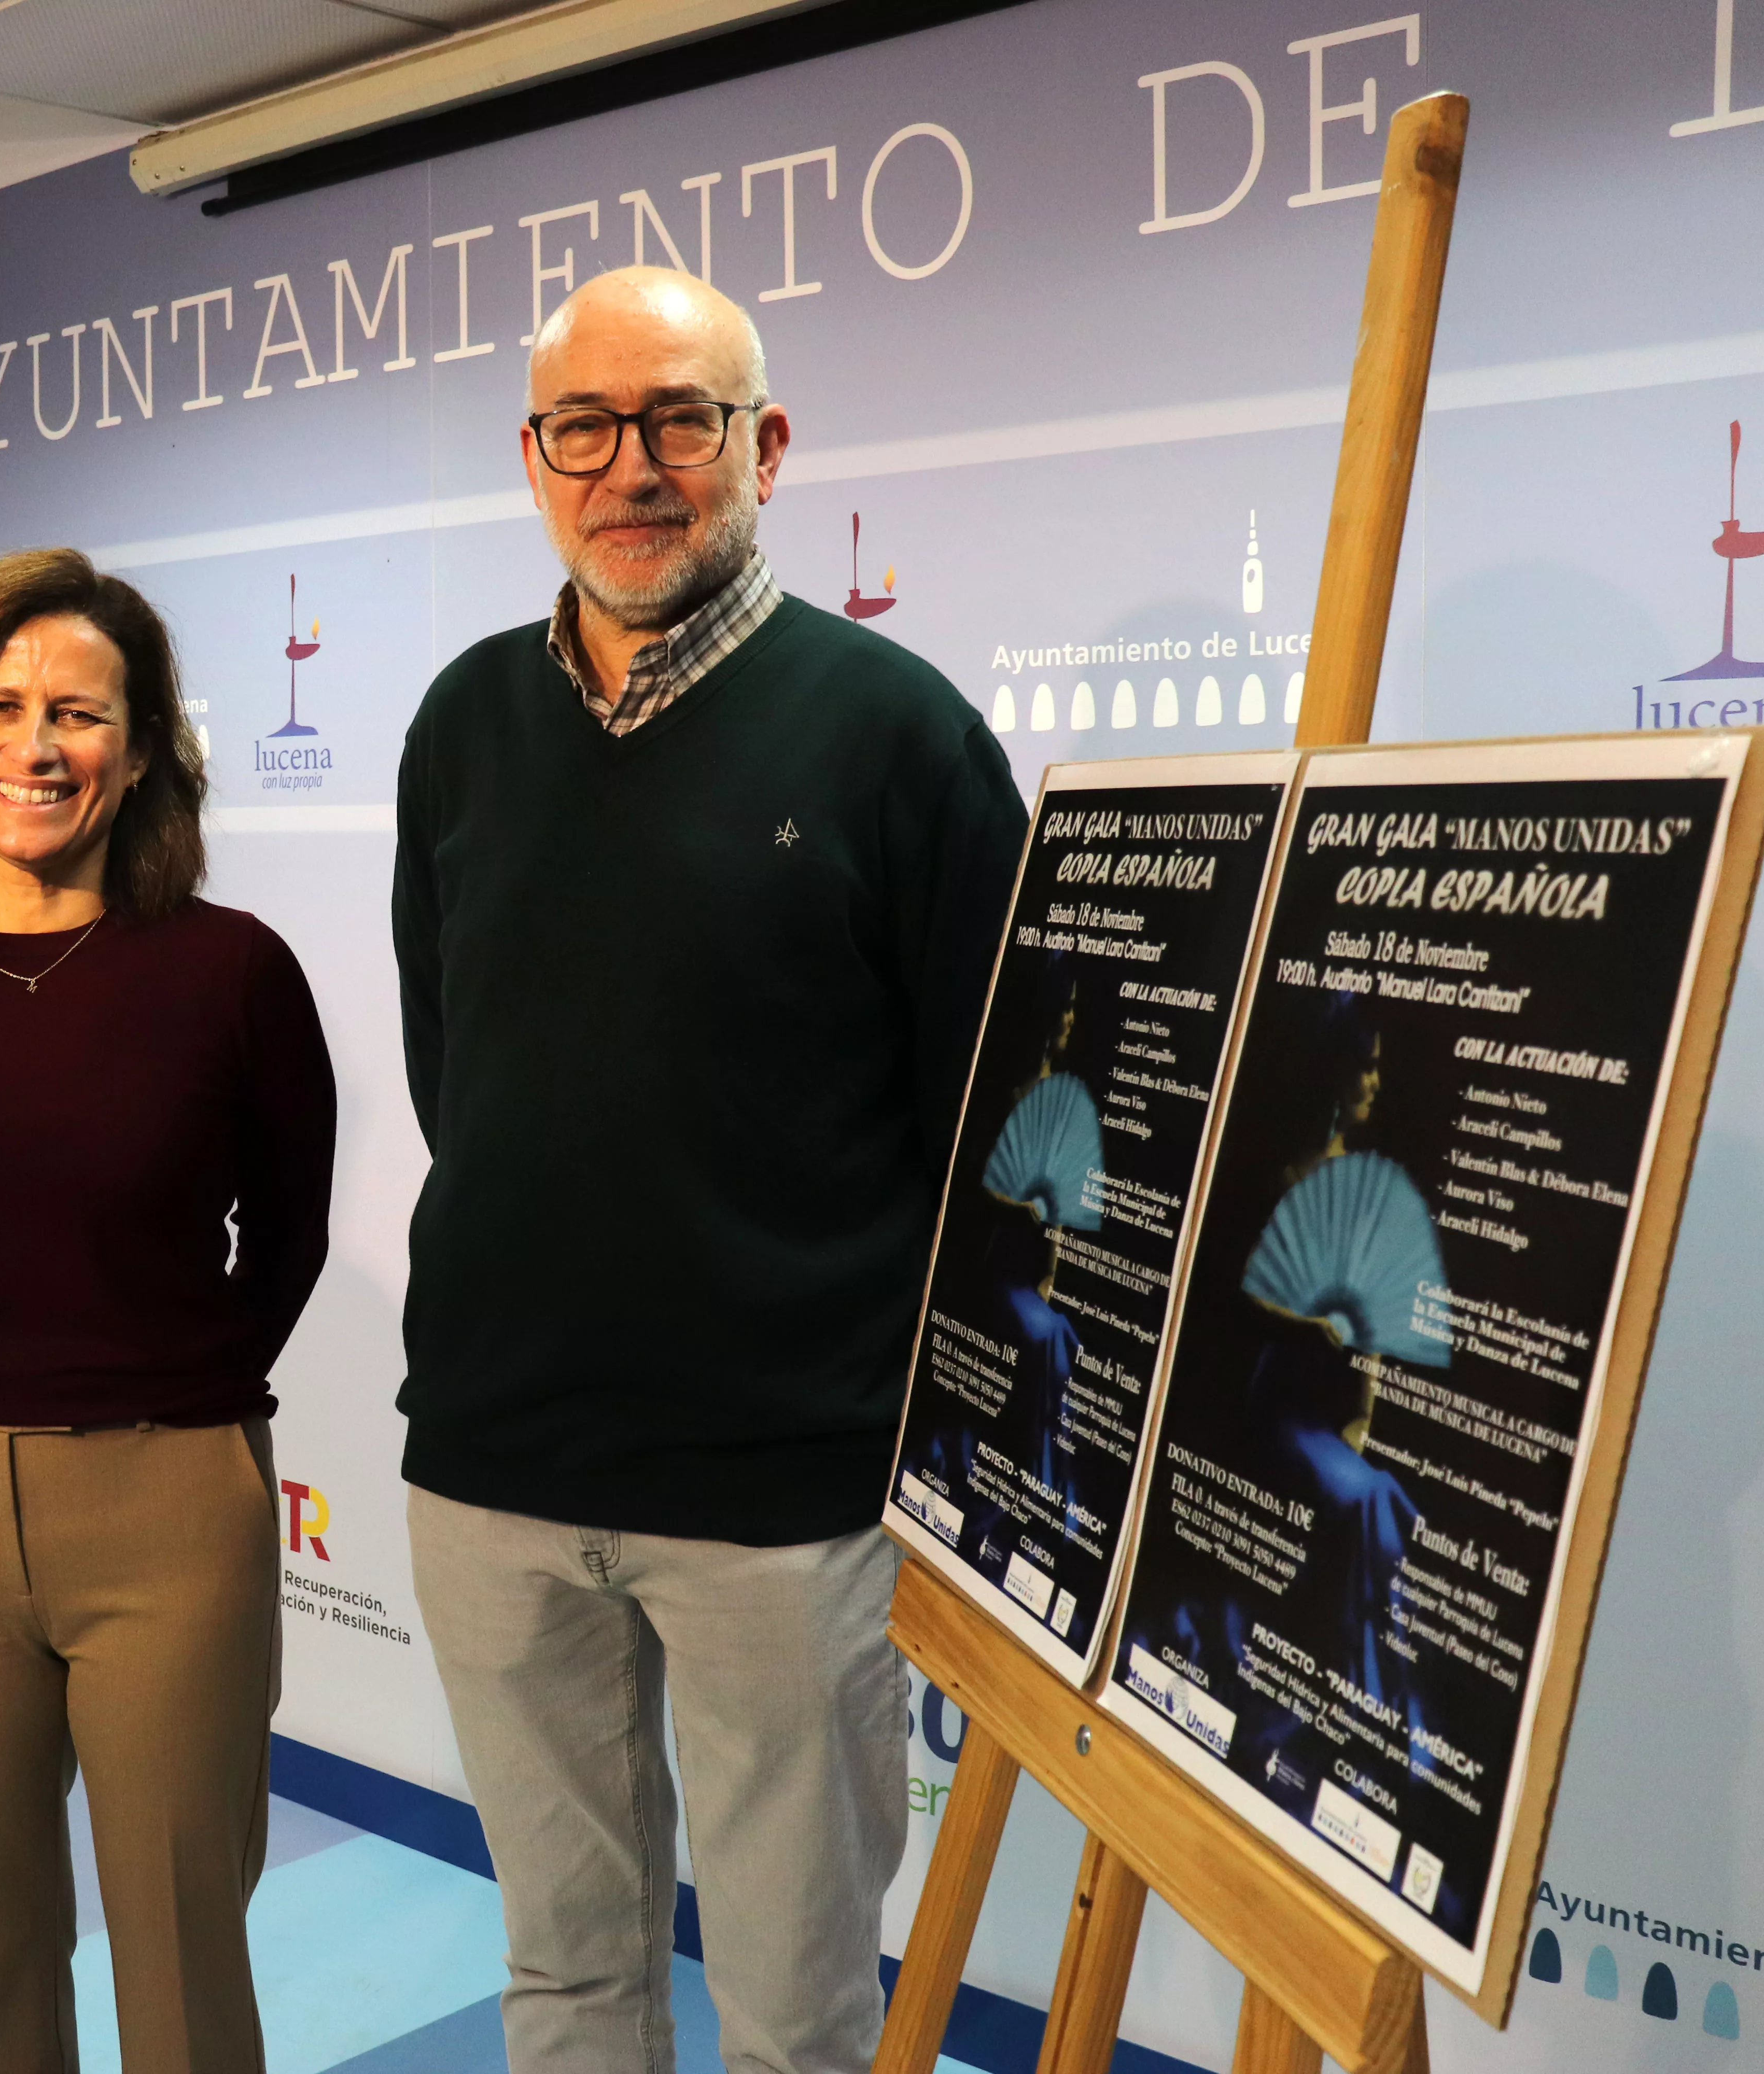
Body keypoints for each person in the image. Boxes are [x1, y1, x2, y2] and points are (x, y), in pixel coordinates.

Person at [389, 269, 1027, 2074]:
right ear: (535, 459)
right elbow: (465, 1072)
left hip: (782, 1503)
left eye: (681, 418)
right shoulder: (462, 725)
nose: (633, 468)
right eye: (584, 428)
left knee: (799, 2014)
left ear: (766, 446)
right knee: (568, 1986)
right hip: (498, 1477)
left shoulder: (897, 734)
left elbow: (982, 1129)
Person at [0, 548, 335, 2074]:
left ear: (145, 748)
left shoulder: (234, 974)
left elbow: (285, 1237)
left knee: (180, 1954)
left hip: (169, 1497)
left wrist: (176, 1390)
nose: (35, 746)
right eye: (1, 703)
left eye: (81, 715)